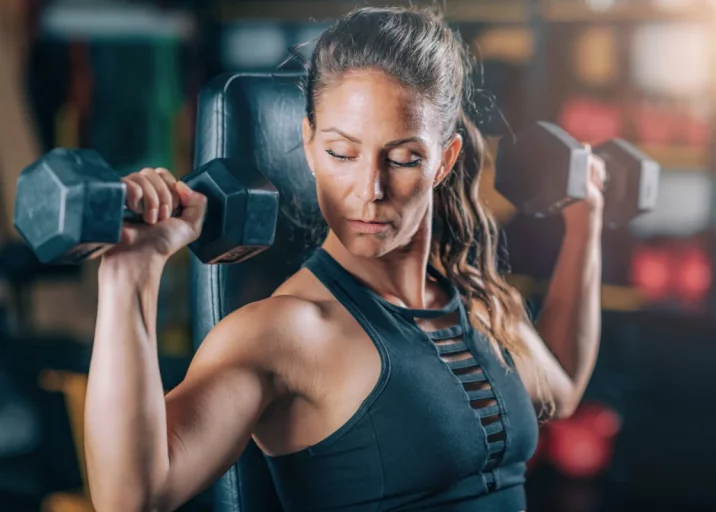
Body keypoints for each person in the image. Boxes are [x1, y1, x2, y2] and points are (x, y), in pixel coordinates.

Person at [84, 6, 604, 512]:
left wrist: (585, 222)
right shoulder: (284, 334)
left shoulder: (475, 300)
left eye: (404, 158)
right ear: (309, 145)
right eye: (341, 153)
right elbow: (132, 498)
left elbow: (562, 387)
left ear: (444, 161)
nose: (370, 190)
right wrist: (129, 276)